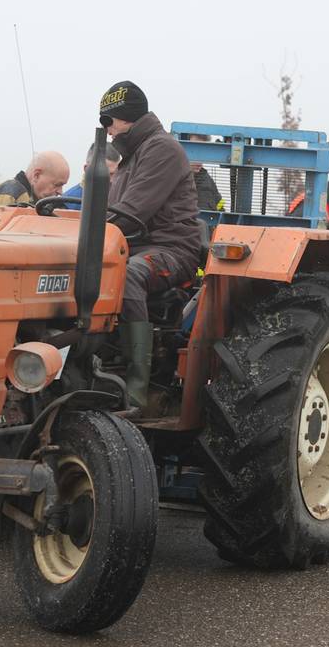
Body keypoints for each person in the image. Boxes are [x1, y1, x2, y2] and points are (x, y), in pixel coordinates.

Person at [97, 80, 202, 412]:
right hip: (132, 246)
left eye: (108, 121)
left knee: (126, 276)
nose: (108, 131)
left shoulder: (161, 150)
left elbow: (131, 213)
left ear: (126, 118)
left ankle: (136, 389)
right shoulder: (130, 158)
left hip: (170, 249)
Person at [0, 151, 71, 205]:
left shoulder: (49, 204)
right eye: (57, 185)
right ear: (37, 175)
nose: (60, 192)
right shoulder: (9, 193)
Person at [62, 142, 122, 209]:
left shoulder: (123, 200)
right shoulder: (66, 203)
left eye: (115, 174)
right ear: (87, 169)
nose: (112, 180)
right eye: (105, 174)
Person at [185, 133, 226, 212]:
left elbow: (220, 204)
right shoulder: (174, 178)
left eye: (202, 153)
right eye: (194, 151)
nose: (199, 160)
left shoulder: (207, 179)